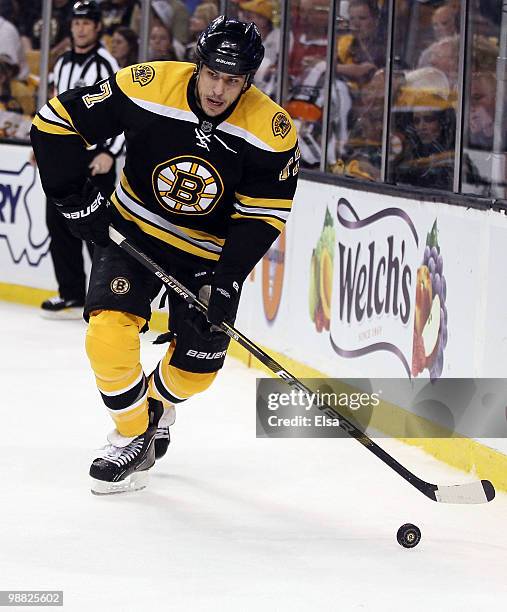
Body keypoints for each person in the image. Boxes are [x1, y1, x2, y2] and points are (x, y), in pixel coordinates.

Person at [31, 15, 299, 494]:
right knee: (108, 335)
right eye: (213, 74)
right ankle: (134, 434)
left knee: (197, 371)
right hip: (132, 234)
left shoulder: (272, 131)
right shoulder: (149, 84)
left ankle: (154, 407)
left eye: (232, 81)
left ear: (249, 81)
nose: (218, 90)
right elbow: (55, 121)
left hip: (208, 255)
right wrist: (75, 200)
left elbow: (262, 217)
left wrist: (229, 279)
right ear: (198, 65)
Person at [39, 0, 123, 318]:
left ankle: (103, 300)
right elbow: (55, 110)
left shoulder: (106, 63)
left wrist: (109, 152)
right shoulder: (61, 63)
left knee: (97, 230)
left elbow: (120, 111)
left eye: (87, 23)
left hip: (95, 158)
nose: (81, 28)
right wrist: (44, 146)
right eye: (76, 23)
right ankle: (71, 293)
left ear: (98, 26)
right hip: (66, 156)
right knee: (58, 224)